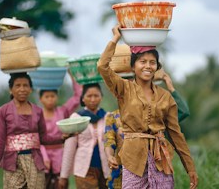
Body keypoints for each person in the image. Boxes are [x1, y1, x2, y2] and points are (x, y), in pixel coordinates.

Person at [97, 25, 198, 189]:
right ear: (133, 66)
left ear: (157, 67)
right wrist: (115, 38)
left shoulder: (166, 97)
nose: (147, 66)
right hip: (133, 159)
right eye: (142, 62)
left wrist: (190, 167)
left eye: (152, 62)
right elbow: (102, 66)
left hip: (161, 159)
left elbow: (175, 134)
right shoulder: (124, 88)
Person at [104, 71, 190, 189]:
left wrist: (170, 86)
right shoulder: (112, 117)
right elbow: (109, 141)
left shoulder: (155, 118)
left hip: (154, 167)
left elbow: (183, 111)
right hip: (123, 168)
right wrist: (109, 156)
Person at [0, 72, 67, 188]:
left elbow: (43, 138)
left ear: (30, 89)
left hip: (35, 163)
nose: (22, 89)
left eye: (25, 85)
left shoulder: (38, 111)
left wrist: (62, 137)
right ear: (11, 90)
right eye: (18, 85)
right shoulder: (3, 111)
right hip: (12, 164)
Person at [59, 83, 110, 189]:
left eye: (96, 96)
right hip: (84, 170)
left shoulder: (107, 117)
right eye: (89, 96)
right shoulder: (76, 118)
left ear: (101, 97)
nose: (93, 99)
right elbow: (69, 148)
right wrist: (64, 176)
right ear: (82, 98)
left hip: (105, 169)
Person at [39, 71, 82, 189]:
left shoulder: (62, 111)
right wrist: (44, 157)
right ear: (41, 98)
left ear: (57, 97)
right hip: (42, 157)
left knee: (62, 185)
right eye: (46, 97)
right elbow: (36, 140)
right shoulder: (37, 116)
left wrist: (72, 75)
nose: (50, 99)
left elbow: (78, 97)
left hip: (60, 156)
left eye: (53, 96)